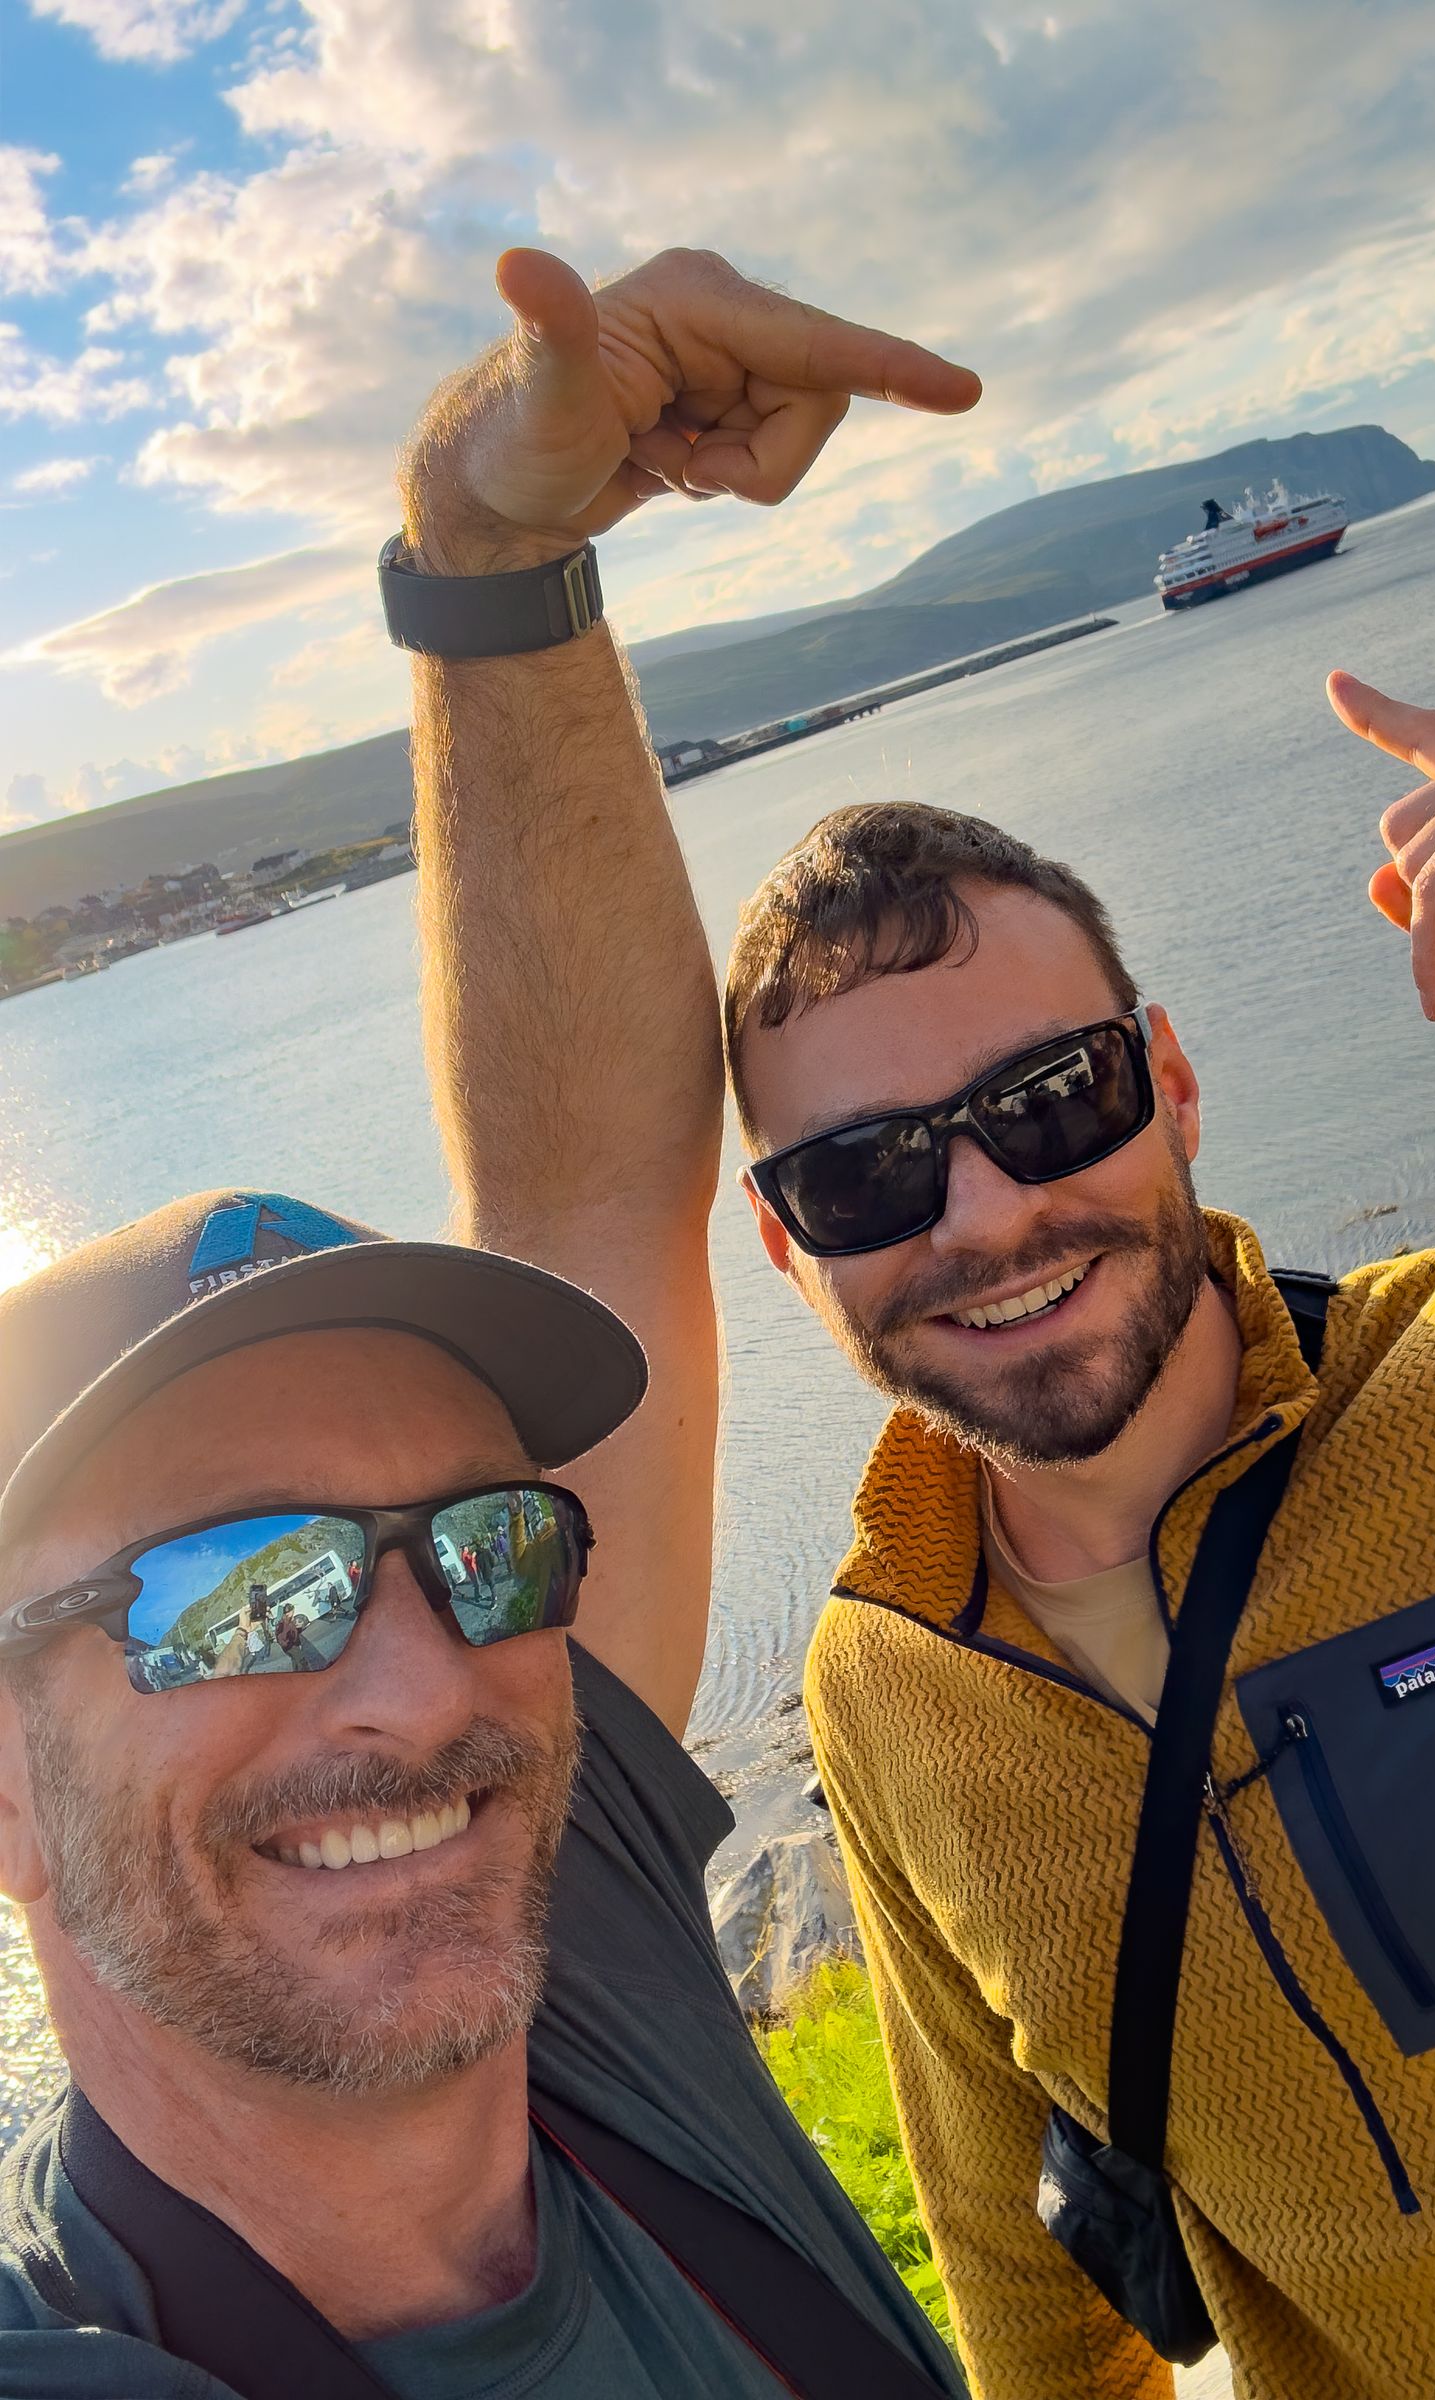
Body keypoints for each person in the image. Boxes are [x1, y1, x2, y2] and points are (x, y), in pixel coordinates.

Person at [0, 244, 981, 2399]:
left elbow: (590, 1198)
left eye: (485, 1544)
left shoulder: (577, 1945)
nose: (417, 1673)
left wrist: (489, 557)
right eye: (239, 1591)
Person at [715, 735, 1435, 2399]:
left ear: (1175, 1079)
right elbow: (1027, 2285)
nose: (992, 1215)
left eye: (1052, 1097)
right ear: (788, 1243)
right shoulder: (887, 1682)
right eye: (868, 1173)